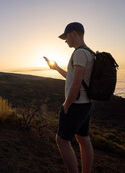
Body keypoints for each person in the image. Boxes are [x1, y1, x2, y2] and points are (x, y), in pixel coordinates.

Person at [47, 22, 94, 173]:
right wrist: (56, 68)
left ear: (74, 33)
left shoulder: (79, 53)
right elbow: (73, 78)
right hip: (87, 104)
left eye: (66, 36)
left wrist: (67, 104)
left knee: (61, 140)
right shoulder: (90, 53)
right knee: (83, 139)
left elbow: (77, 83)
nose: (65, 40)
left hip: (76, 104)